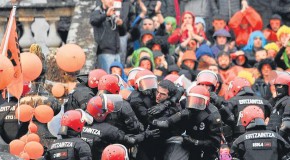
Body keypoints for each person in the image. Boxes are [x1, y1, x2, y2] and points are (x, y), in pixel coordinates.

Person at [153, 85, 222, 160]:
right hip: (183, 141)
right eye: (192, 100)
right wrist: (178, 115)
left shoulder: (213, 116)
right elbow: (169, 117)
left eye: (198, 101)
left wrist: (195, 142)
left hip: (203, 145)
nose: (194, 104)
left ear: (206, 102)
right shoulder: (184, 104)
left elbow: (215, 143)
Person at [82, 95, 159, 159]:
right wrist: (146, 134)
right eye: (107, 112)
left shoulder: (79, 124)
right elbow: (131, 140)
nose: (109, 113)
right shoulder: (108, 130)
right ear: (99, 115)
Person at [90, 0, 126, 73]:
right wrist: (106, 15)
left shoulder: (115, 13)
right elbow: (93, 21)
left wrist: (121, 25)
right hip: (104, 52)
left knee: (117, 79)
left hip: (117, 52)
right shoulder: (97, 11)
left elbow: (122, 33)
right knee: (106, 78)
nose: (111, 1)